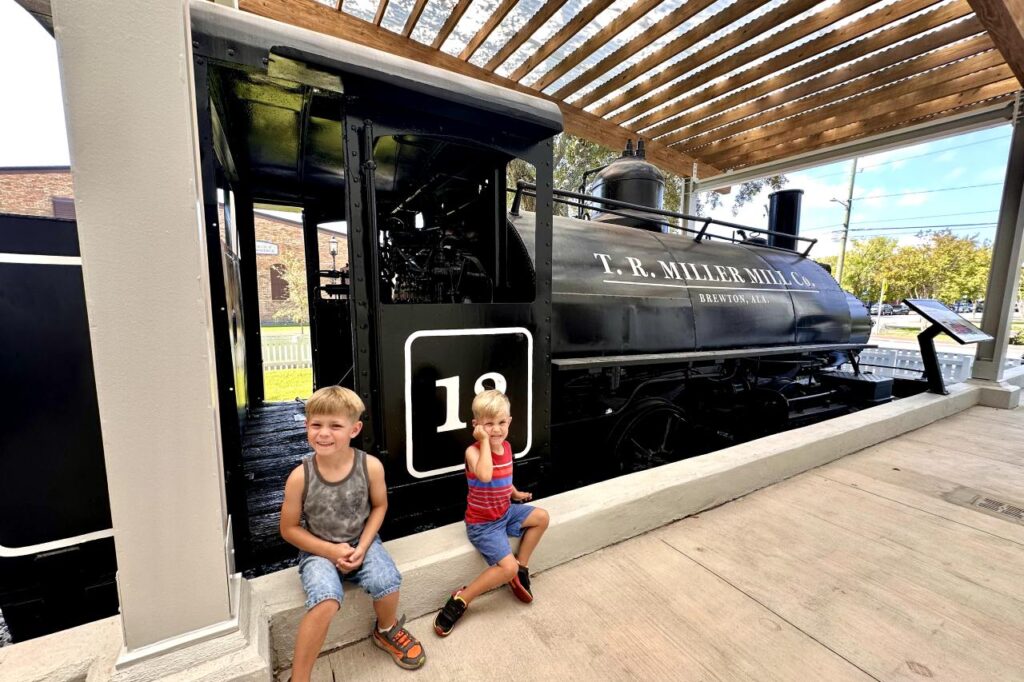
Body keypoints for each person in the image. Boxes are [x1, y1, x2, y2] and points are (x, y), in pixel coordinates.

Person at [280, 386, 425, 679]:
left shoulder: (370, 467)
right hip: (318, 549)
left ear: (355, 428)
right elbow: (289, 529)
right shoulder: (300, 478)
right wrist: (331, 551)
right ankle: (300, 677)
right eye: (316, 424)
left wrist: (364, 546)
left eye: (335, 425)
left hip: (362, 540)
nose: (324, 433)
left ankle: (386, 629)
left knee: (387, 581)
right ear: (307, 426)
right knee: (325, 600)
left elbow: (380, 507)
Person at [433, 389, 550, 636]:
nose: (496, 429)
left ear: (509, 422)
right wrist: (484, 442)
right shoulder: (473, 451)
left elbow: (503, 477)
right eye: (488, 425)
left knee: (542, 517)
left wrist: (515, 494)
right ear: (476, 426)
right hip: (483, 524)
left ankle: (522, 567)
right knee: (503, 569)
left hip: (505, 512)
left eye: (501, 423)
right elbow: (485, 474)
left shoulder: (507, 447)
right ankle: (462, 599)